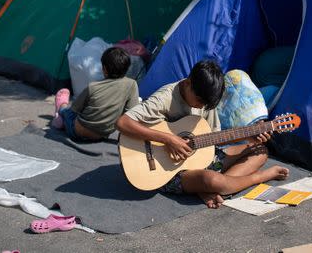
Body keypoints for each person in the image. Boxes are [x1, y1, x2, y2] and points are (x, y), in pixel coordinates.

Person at [116, 59, 289, 209]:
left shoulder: (205, 101)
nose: (201, 107)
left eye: (206, 104)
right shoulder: (164, 99)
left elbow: (215, 139)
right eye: (199, 101)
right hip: (166, 170)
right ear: (188, 83)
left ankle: (212, 188)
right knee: (213, 180)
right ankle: (257, 177)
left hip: (202, 159)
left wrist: (250, 135)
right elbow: (123, 122)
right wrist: (169, 139)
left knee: (259, 151)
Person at [52, 47, 139, 142]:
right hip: (101, 136)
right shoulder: (132, 84)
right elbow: (131, 113)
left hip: (77, 132)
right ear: (127, 68)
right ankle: (62, 120)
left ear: (104, 69)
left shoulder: (93, 87)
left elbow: (75, 109)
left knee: (68, 112)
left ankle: (61, 108)